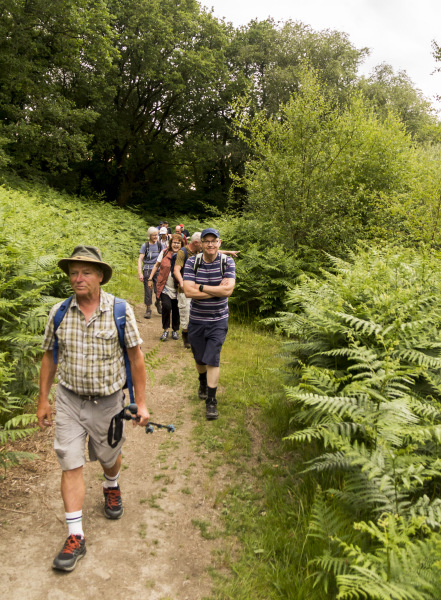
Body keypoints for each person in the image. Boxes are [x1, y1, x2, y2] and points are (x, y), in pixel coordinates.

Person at [36, 245, 149, 572]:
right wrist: (43, 399)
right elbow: (49, 357)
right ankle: (75, 536)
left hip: (109, 401)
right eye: (73, 272)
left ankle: (111, 486)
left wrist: (140, 402)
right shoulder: (59, 312)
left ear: (100, 276)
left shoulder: (120, 310)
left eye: (85, 272)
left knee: (109, 457)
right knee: (69, 462)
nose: (77, 278)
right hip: (69, 400)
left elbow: (136, 358)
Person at [183, 228, 236, 420]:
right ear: (201, 244)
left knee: (212, 357)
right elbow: (188, 292)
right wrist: (216, 290)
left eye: (214, 241)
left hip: (218, 319)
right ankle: (202, 381)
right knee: (199, 358)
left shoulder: (227, 261)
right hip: (196, 319)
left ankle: (211, 401)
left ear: (219, 243)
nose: (210, 244)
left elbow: (228, 290)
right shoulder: (192, 262)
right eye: (206, 241)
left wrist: (201, 287)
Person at [148, 234, 184, 341]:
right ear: (171, 243)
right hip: (165, 287)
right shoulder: (164, 253)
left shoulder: (184, 255)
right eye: (174, 242)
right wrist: (150, 278)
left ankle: (175, 331)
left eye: (178, 243)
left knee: (177, 310)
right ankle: (165, 330)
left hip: (179, 288)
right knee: (166, 307)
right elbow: (156, 265)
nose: (176, 244)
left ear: (181, 244)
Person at [173, 232, 202, 349]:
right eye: (202, 242)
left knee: (197, 314)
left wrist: (229, 253)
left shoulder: (199, 252)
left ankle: (195, 337)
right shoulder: (182, 252)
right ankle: (186, 335)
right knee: (186, 313)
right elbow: (176, 270)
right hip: (184, 289)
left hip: (197, 288)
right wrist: (181, 282)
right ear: (196, 242)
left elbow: (216, 252)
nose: (204, 245)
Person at [138, 227, 162, 318]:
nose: (156, 236)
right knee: (148, 290)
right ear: (149, 235)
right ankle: (148, 309)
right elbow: (140, 259)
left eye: (157, 235)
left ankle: (158, 302)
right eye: (154, 235)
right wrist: (140, 273)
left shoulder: (160, 245)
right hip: (147, 270)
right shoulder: (145, 246)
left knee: (159, 289)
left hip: (158, 270)